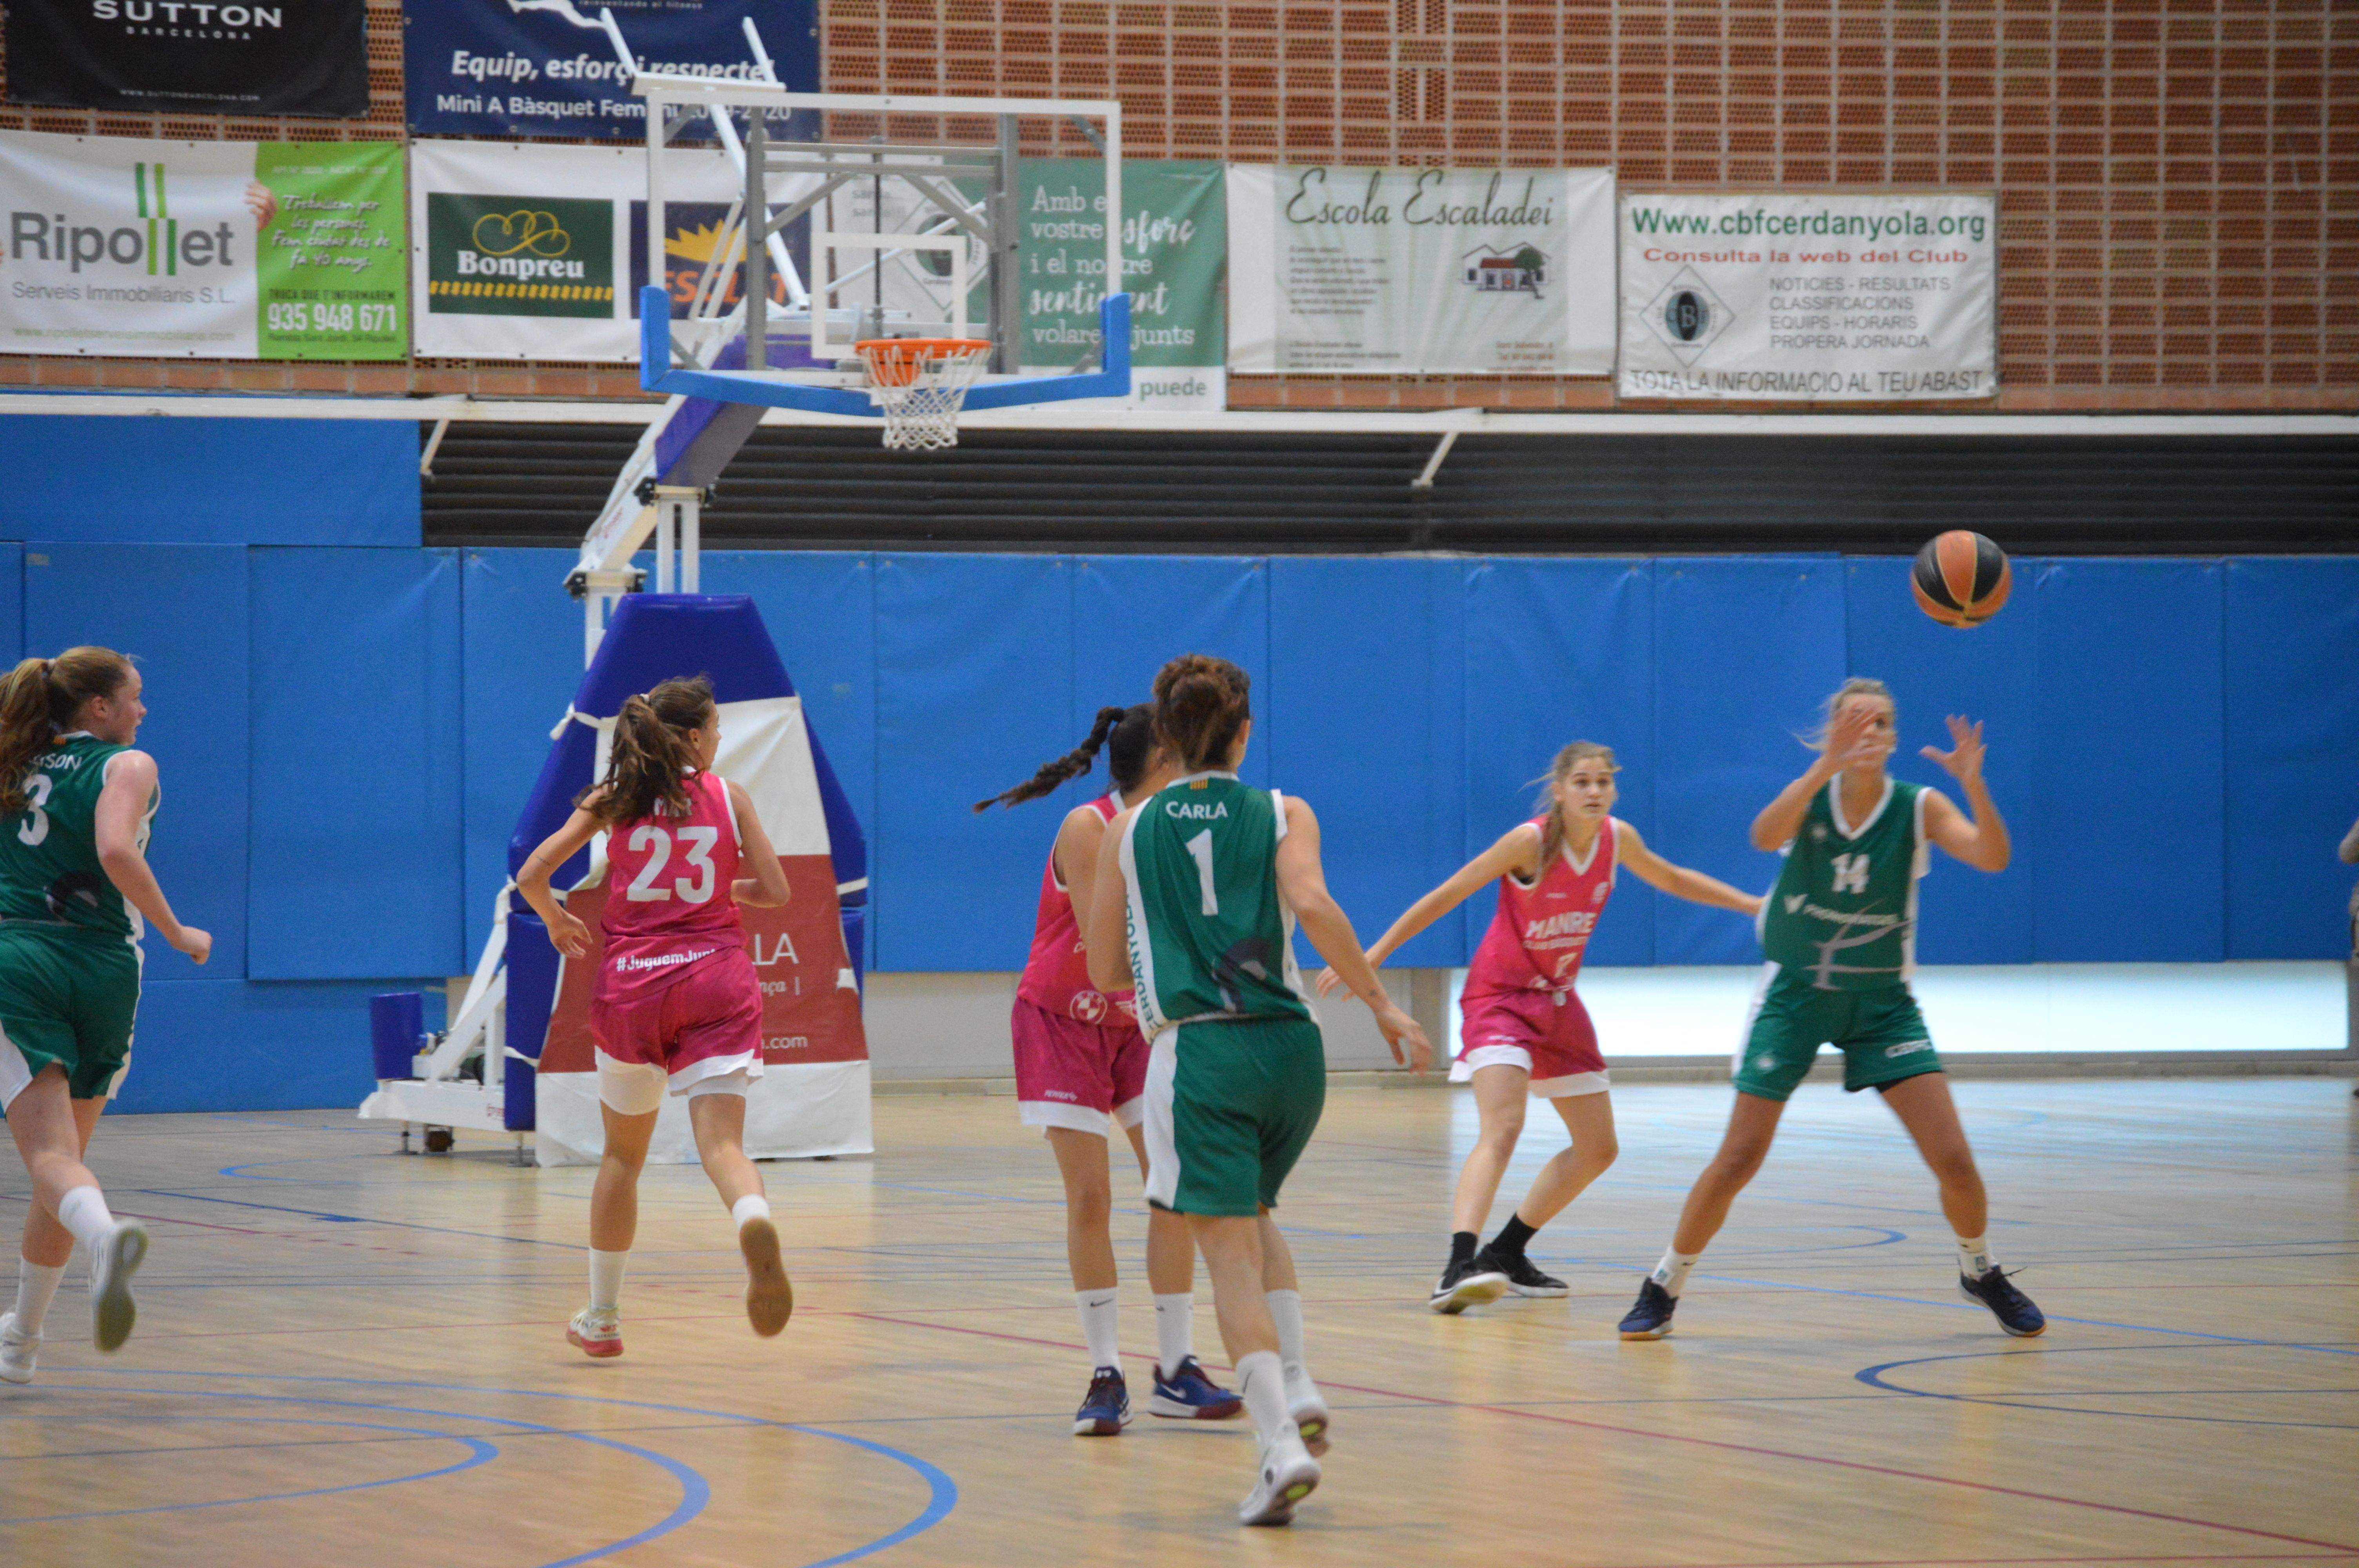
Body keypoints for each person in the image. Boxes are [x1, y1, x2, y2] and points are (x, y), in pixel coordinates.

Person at [1085, 654, 1432, 1527]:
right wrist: (1385, 1006)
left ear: (1163, 737)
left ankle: (1277, 1444)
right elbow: (1312, 905)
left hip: (1202, 1053)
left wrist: (1167, 952)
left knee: (1227, 1253)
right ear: (1244, 733)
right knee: (1258, 1213)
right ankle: (1303, 1378)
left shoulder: (1127, 829)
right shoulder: (1286, 810)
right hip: (1293, 1055)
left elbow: (1098, 967)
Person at [1617, 678, 2045, 1341]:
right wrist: (1825, 764)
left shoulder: (1918, 806)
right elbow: (1763, 836)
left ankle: (1979, 1270)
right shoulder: (1813, 798)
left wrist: (1973, 785)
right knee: (1740, 1157)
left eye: (1878, 725)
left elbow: (1993, 857)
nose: (1865, 734)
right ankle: (1663, 1284)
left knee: (1955, 1158)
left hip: (1882, 1004)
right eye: (1852, 724)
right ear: (1832, 733)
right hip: (1796, 996)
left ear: (1895, 738)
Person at [1322, 742, 1760, 1314]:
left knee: (1599, 1148)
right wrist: (1371, 955)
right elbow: (1447, 894)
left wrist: (1754, 906)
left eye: (1604, 782)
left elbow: (1674, 879)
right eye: (1582, 782)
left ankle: (1507, 1253)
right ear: (1559, 790)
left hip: (1556, 1003)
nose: (1595, 792)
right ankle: (1457, 1265)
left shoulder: (1617, 840)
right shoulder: (1528, 842)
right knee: (1503, 1127)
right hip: (1499, 999)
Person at [974, 704, 1240, 1434]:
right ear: (1162, 758)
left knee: (1177, 1185)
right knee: (1091, 1197)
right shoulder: (1090, 828)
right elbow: (1106, 958)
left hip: (1135, 1025)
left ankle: (1176, 1367)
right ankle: (1105, 1372)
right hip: (1062, 1021)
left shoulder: (1179, 828)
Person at [517, 676, 796, 1357]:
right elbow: (779, 892)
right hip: (716, 979)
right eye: (718, 729)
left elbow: (532, 871)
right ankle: (753, 1217)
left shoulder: (615, 800)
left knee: (621, 1156)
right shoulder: (731, 798)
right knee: (723, 1146)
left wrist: (555, 920)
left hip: (634, 987)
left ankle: (604, 1317)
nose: (722, 739)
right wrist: (719, 889)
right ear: (696, 739)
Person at [0, 649, 211, 1383]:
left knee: (54, 1165)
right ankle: (20, 1344)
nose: (143, 711)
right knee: (65, 1166)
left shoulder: (11, 763)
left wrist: (179, 930)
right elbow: (117, 847)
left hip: (18, 959)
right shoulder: (128, 766)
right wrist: (179, 933)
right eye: (135, 697)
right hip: (107, 968)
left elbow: (113, 850)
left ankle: (106, 1237)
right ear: (99, 708)